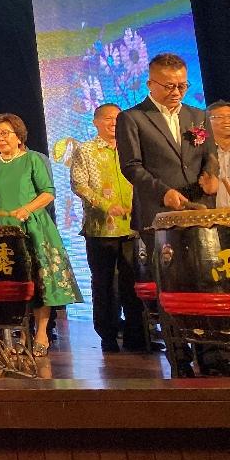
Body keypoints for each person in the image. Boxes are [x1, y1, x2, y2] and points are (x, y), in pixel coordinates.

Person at [116, 53, 220, 376]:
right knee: (170, 288)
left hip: (199, 214)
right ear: (151, 84)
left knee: (205, 282)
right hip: (159, 215)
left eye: (182, 85)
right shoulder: (133, 118)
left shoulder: (197, 115)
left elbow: (209, 155)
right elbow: (131, 167)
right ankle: (179, 358)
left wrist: (211, 174)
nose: (177, 92)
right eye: (169, 86)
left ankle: (211, 355)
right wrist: (163, 192)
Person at [0, 113, 82, 356]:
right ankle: (19, 333)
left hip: (31, 226)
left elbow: (48, 193)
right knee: (11, 284)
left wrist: (26, 209)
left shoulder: (32, 159)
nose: (1, 138)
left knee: (38, 281)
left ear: (19, 137)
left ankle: (41, 333)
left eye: (6, 133)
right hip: (1, 229)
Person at [69, 103, 145, 353]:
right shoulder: (86, 150)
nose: (113, 123)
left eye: (117, 119)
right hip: (100, 229)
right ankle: (108, 336)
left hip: (133, 227)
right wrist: (105, 205)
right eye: (108, 119)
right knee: (104, 285)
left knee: (133, 283)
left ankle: (137, 336)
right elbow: (79, 184)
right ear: (96, 122)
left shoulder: (131, 147)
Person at [208, 101, 230, 207]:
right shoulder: (203, 152)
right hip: (215, 214)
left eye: (229, 116)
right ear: (207, 121)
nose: (227, 121)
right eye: (219, 117)